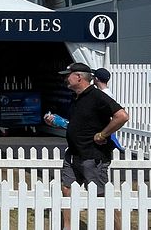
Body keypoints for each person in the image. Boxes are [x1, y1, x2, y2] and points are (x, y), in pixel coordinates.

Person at [45, 62, 129, 230]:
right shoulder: (76, 97)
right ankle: (68, 227)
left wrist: (103, 134)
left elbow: (122, 116)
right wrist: (58, 122)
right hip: (73, 154)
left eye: (67, 75)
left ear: (78, 77)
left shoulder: (97, 96)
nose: (65, 79)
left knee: (103, 196)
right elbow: (79, 123)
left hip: (94, 155)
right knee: (66, 189)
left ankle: (118, 227)